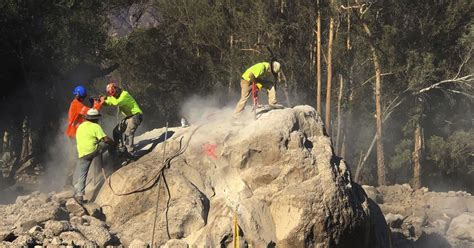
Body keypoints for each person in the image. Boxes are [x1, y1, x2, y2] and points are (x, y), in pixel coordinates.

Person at [64, 85, 104, 188]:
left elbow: (88, 113)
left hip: (75, 133)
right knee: (76, 155)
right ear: (82, 96)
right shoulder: (77, 105)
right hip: (74, 134)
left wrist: (92, 104)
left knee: (79, 155)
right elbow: (92, 113)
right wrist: (98, 104)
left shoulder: (76, 104)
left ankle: (72, 181)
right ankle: (68, 183)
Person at [74, 108, 114, 200]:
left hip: (82, 154)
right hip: (93, 150)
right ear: (95, 119)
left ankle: (80, 195)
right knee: (108, 144)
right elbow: (105, 139)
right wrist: (113, 143)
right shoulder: (95, 126)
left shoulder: (80, 126)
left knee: (82, 174)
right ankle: (115, 159)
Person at [101, 82, 143, 154]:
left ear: (116, 89)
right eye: (112, 95)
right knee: (116, 131)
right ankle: (120, 148)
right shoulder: (115, 97)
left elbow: (116, 102)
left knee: (128, 133)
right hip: (129, 116)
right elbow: (110, 101)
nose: (113, 96)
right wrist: (103, 101)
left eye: (114, 93)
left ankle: (130, 153)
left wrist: (107, 99)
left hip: (136, 115)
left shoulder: (124, 95)